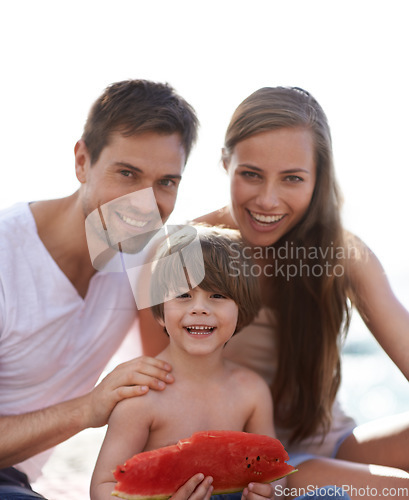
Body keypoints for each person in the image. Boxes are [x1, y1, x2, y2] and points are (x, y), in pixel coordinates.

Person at [139, 87, 409, 499]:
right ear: (225, 162)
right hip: (253, 466)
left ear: (318, 178)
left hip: (335, 444)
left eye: (292, 178)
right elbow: (157, 390)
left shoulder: (343, 253)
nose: (268, 200)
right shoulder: (180, 252)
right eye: (251, 174)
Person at [0, 79, 199, 499]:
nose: (145, 202)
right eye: (127, 173)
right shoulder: (6, 257)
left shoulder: (144, 259)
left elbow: (168, 381)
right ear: (82, 161)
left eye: (166, 182)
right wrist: (90, 407)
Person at [91, 224, 279, 500]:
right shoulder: (143, 396)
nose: (199, 307)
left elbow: (274, 469)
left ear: (241, 311)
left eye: (217, 295)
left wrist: (269, 492)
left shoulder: (251, 391)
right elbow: (103, 487)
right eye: (183, 295)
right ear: (158, 311)